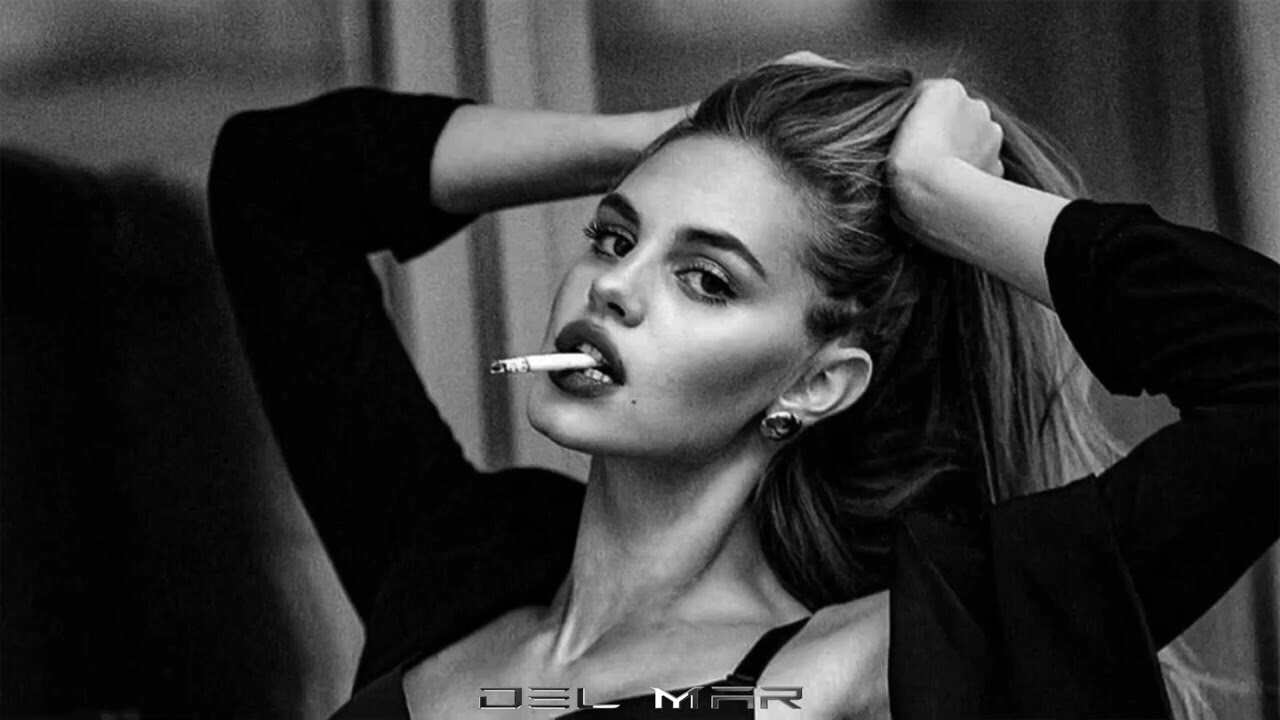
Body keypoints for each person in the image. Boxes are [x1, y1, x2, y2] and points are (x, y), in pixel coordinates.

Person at [208, 57, 1278, 719]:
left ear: (819, 382)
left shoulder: (862, 665)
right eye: (614, 236)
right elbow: (273, 182)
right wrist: (666, 136)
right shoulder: (457, 571)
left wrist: (938, 194)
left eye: (706, 278)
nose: (614, 287)